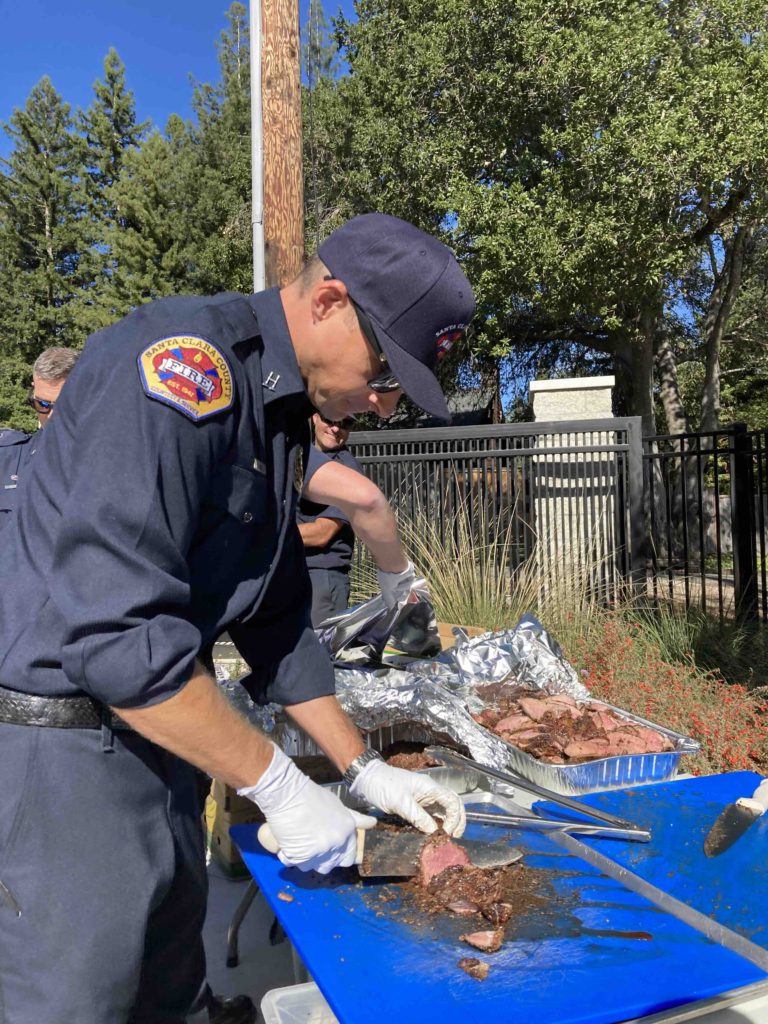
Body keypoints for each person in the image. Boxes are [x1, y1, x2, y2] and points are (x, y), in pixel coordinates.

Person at [0, 212, 475, 1023]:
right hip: (65, 760)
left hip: (162, 747)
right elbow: (119, 639)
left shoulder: (277, 414)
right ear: (329, 301)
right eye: (385, 371)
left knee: (168, 995)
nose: (384, 404)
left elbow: (276, 620)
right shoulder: (184, 370)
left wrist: (362, 770)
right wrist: (280, 786)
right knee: (79, 1004)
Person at [298, 412, 373, 625]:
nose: (336, 428)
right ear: (314, 417)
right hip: (294, 569)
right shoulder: (301, 453)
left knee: (321, 654)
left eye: (345, 423)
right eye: (330, 419)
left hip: (322, 576)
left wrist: (266, 536)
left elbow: (322, 533)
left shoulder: (346, 471)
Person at [0, 345, 78, 522]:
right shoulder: (7, 458)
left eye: (62, 405)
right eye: (42, 404)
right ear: (33, 388)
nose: (51, 415)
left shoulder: (107, 462)